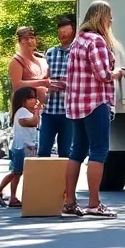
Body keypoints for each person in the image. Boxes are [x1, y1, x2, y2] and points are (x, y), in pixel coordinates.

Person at [62, 1, 125, 219]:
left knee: (76, 152)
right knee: (98, 152)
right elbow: (103, 74)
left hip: (75, 104)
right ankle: (94, 203)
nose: (111, 21)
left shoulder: (77, 41)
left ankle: (69, 202)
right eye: (109, 17)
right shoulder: (97, 41)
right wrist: (116, 72)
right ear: (101, 17)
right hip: (95, 102)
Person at [0, 87, 41, 208]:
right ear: (22, 100)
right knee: (15, 172)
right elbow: (32, 122)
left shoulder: (27, 112)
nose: (34, 100)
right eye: (30, 98)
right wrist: (37, 112)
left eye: (35, 97)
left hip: (28, 147)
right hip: (22, 147)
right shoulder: (22, 111)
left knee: (17, 173)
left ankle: (13, 197)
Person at [40, 15, 75, 157]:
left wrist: (67, 84)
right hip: (49, 110)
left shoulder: (77, 52)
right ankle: (43, 179)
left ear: (73, 32)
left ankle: (62, 180)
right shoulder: (50, 53)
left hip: (68, 111)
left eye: (66, 33)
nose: (63, 36)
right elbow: (42, 77)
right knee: (43, 151)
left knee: (66, 153)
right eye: (60, 33)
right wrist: (48, 84)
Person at [9, 26, 51, 105]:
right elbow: (17, 85)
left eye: (32, 37)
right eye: (25, 39)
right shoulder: (16, 61)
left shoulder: (43, 59)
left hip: (48, 107)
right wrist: (42, 82)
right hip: (26, 108)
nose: (29, 41)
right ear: (19, 41)